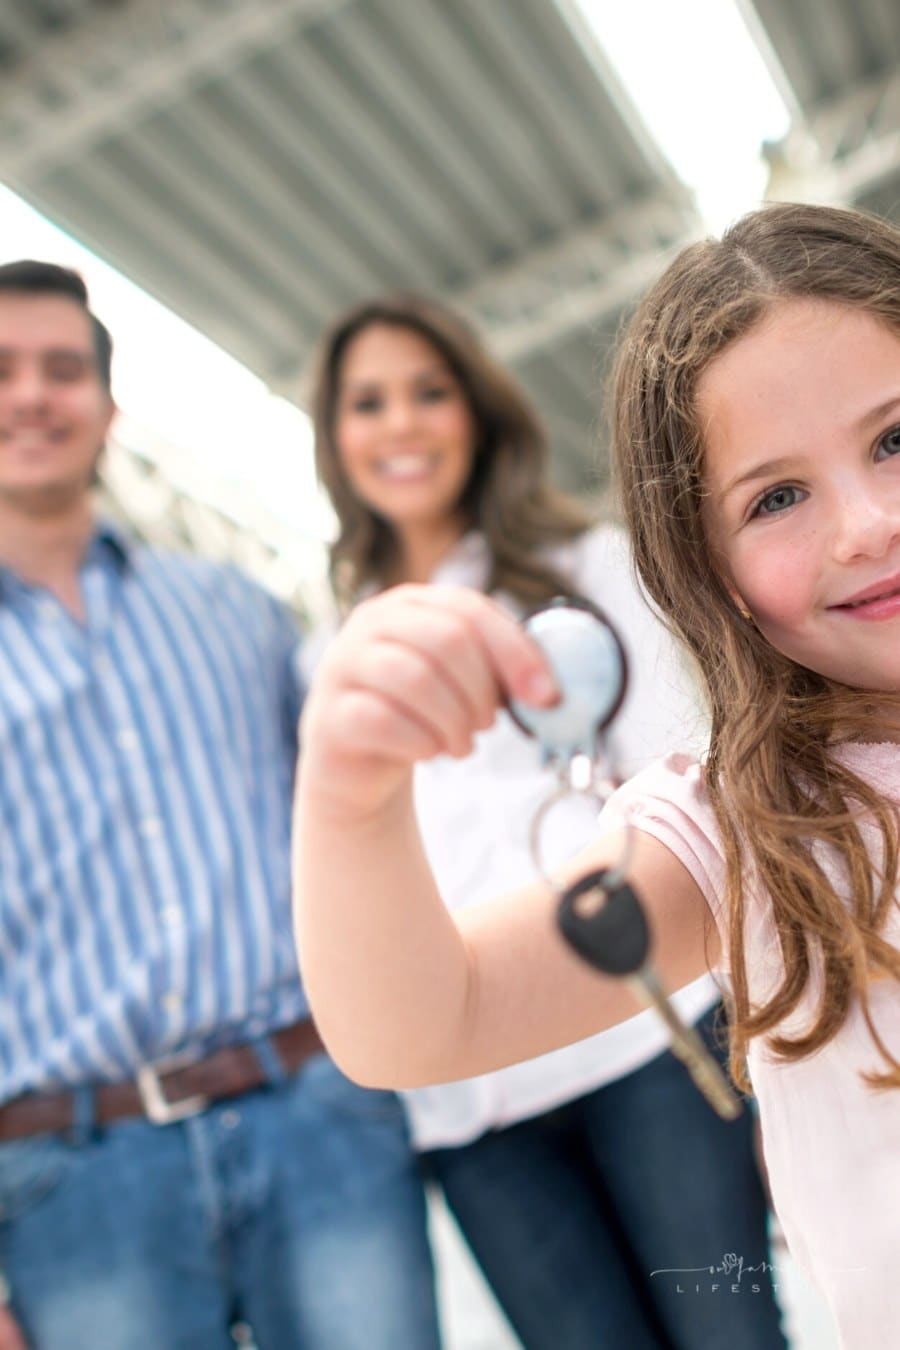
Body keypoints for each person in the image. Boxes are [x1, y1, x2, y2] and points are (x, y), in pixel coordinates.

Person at [295, 199, 900, 1350]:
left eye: (897, 438)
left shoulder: (580, 577)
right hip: (518, 1088)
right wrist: (346, 796)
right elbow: (418, 1023)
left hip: (646, 1072)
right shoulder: (748, 833)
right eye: (776, 497)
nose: (865, 523)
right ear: (706, 573)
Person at [0, 260, 442, 1350]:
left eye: (63, 370)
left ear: (106, 407)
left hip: (316, 1118)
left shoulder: (239, 614)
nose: (31, 396)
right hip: (72, 1181)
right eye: (2, 371)